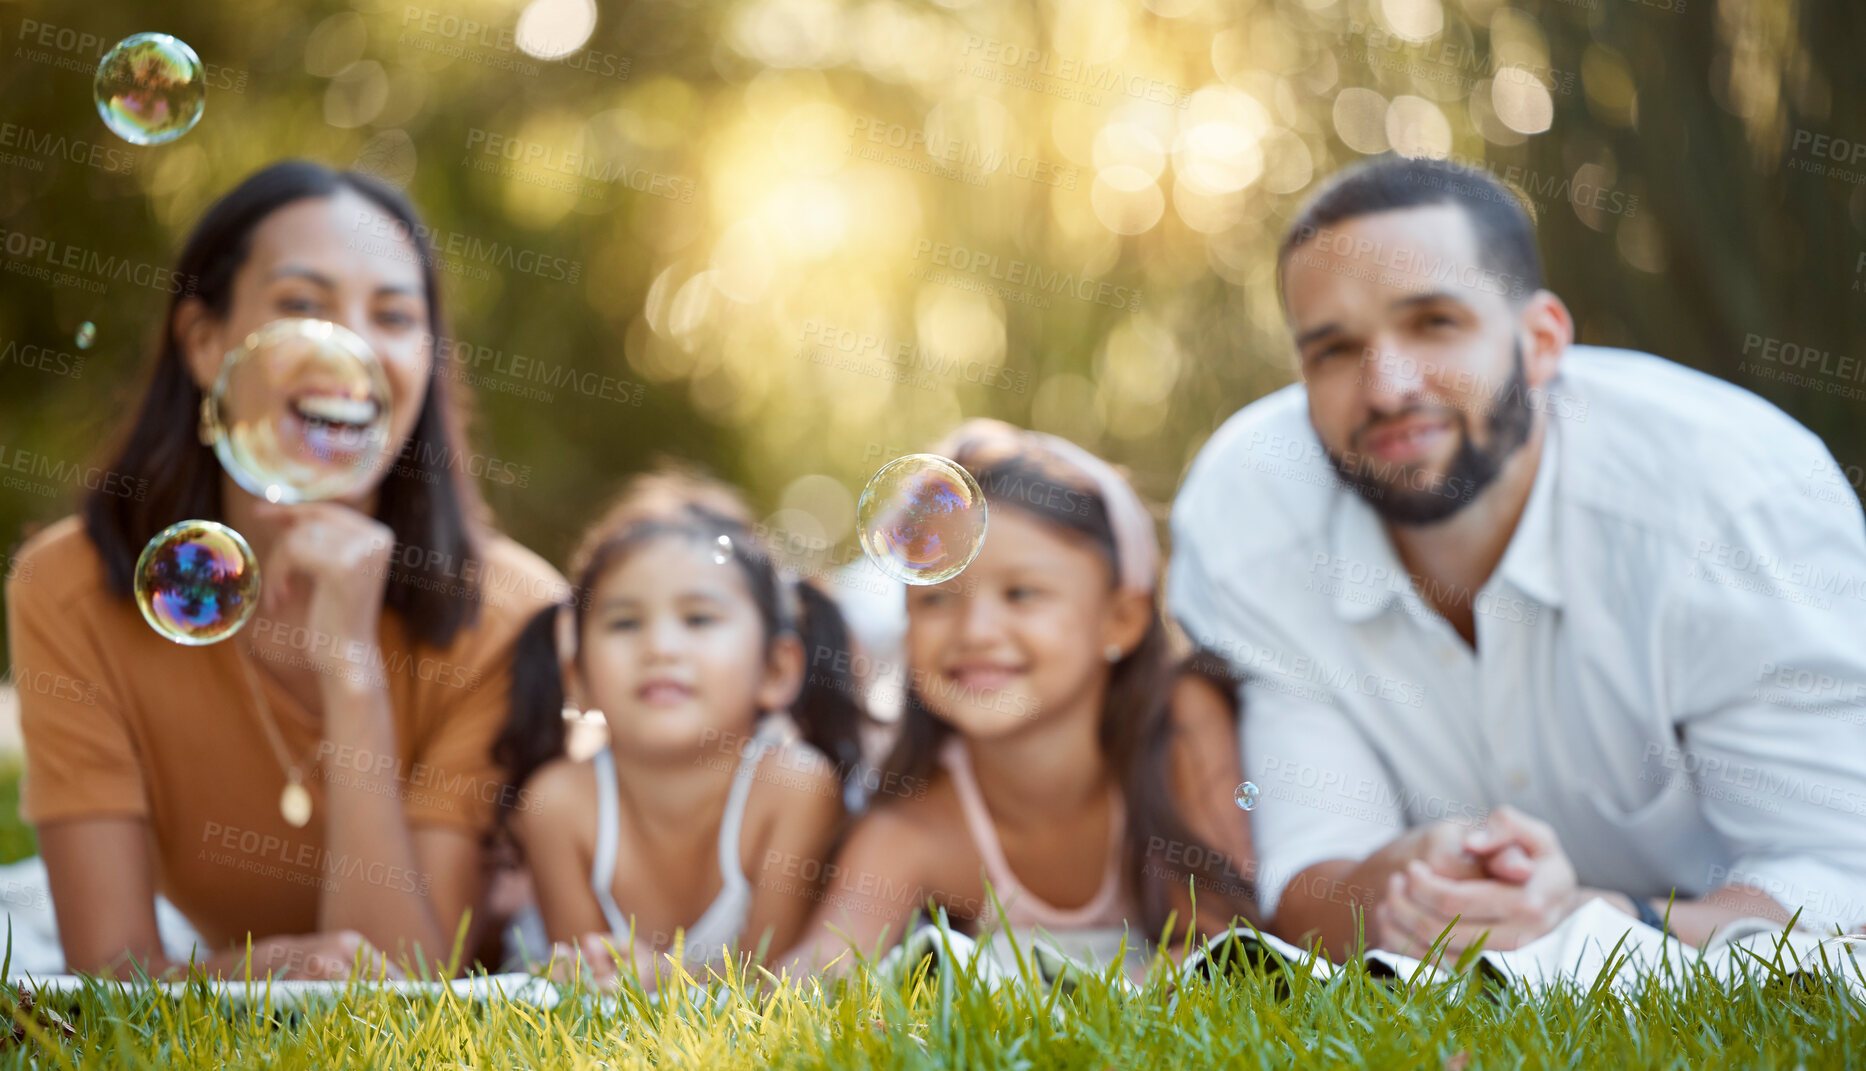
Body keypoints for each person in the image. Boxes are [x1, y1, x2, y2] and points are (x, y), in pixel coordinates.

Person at [1168, 153, 1866, 961]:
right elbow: (1311, 882)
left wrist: (1590, 918)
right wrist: (1399, 882)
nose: (1387, 387)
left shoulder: (1741, 501)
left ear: (1541, 341)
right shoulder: (1249, 510)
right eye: (1333, 350)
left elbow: (1840, 871)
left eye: (1434, 323)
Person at [3, 161, 564, 980]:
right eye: (302, 304)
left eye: (395, 315)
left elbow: (403, 982)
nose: (350, 348)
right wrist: (248, 973)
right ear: (203, 342)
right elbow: (112, 972)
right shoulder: (71, 588)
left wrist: (353, 671)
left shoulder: (513, 616)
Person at [777, 419, 1256, 976]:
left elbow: (1222, 945)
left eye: (1022, 593)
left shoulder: (1182, 721)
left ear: (1121, 619)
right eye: (936, 601)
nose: (976, 631)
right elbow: (817, 975)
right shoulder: (916, 826)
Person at [494, 465, 866, 984]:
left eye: (698, 619)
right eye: (625, 622)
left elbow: (772, 991)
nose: (660, 648)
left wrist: (662, 980)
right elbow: (583, 997)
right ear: (576, 678)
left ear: (776, 669)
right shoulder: (556, 804)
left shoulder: (795, 787)